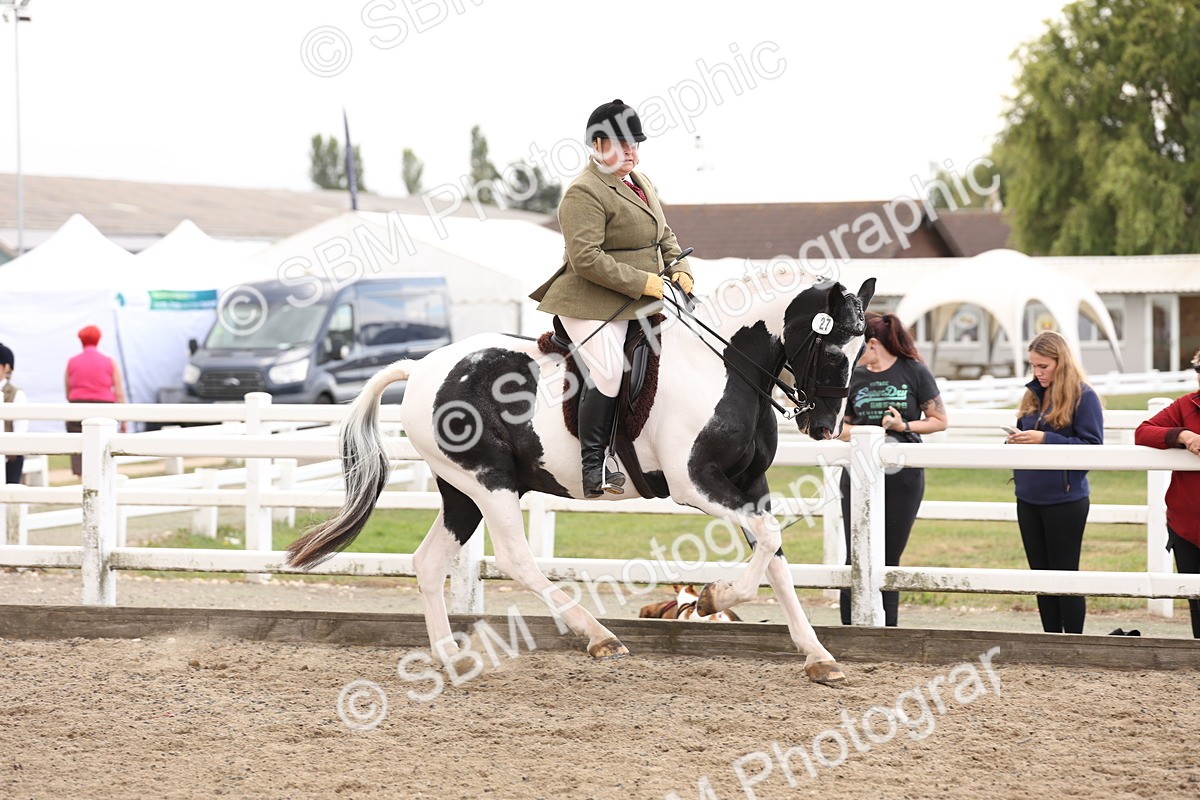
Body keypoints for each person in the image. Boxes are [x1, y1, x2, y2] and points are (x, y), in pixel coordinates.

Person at [529, 99, 693, 498]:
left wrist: (680, 269)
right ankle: (594, 464)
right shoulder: (583, 193)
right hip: (588, 300)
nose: (633, 152)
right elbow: (586, 259)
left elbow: (663, 235)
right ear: (599, 144)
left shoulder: (641, 182)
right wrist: (646, 283)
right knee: (607, 366)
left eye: (636, 144)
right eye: (624, 145)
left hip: (640, 296)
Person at [837, 312, 948, 626]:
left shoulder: (914, 371)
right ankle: (849, 630)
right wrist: (863, 433)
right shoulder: (853, 375)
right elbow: (840, 427)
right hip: (858, 472)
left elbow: (939, 420)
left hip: (904, 475)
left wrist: (903, 425)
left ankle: (889, 632)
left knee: (888, 559)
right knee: (854, 555)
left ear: (872, 344)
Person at [1005, 330, 1103, 634]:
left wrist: (1045, 439)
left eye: (1043, 366)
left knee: (1065, 574)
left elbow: (1092, 448)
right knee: (1040, 575)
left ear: (1062, 362)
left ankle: (1073, 642)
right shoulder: (1033, 394)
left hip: (1065, 499)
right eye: (1033, 366)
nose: (1037, 372)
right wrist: (1016, 441)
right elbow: (1029, 436)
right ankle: (1050, 638)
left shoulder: (1084, 396)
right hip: (1028, 496)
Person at [1134, 346, 1200, 639]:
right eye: (1199, 371)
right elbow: (1143, 431)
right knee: (1196, 603)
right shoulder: (1185, 406)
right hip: (1187, 526)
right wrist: (1181, 435)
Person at [64, 325, 128, 476]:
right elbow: (119, 392)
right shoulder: (109, 361)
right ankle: (102, 478)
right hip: (104, 407)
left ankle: (82, 480)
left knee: (79, 445)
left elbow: (68, 391)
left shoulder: (72, 362)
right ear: (99, 339)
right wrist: (124, 419)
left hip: (77, 406)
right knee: (104, 446)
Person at [0, 343, 29, 484]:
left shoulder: (16, 394)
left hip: (9, 455)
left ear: (5, 367)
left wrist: (11, 448)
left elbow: (21, 426)